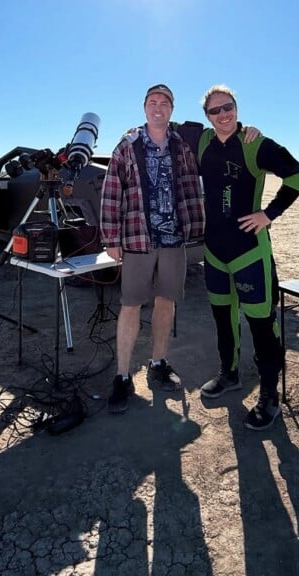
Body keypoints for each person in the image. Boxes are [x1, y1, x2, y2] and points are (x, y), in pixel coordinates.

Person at [197, 84, 299, 430]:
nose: (223, 114)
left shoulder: (254, 143)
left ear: (236, 106)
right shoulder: (201, 140)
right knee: (223, 319)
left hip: (250, 253)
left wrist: (269, 213)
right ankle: (228, 374)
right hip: (214, 251)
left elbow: (298, 175)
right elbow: (166, 128)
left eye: (227, 107)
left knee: (262, 326)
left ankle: (269, 396)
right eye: (215, 111)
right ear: (207, 116)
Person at [100, 84, 204, 413]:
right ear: (144, 107)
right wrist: (111, 238)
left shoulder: (181, 146)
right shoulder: (127, 146)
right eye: (152, 102)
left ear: (171, 109)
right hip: (137, 238)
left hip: (174, 239)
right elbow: (111, 193)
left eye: (164, 103)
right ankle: (122, 376)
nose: (158, 107)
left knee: (166, 303)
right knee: (131, 305)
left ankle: (158, 363)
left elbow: (195, 180)